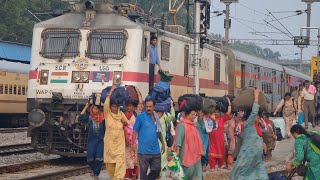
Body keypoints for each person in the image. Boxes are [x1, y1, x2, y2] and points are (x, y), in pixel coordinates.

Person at [229, 89, 268, 180]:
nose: (259, 118)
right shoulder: (248, 124)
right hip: (248, 155)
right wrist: (256, 97)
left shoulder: (256, 127)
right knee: (243, 174)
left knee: (260, 173)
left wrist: (263, 144)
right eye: (258, 116)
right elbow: (254, 112)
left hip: (257, 156)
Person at [132, 98, 165, 180]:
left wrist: (163, 143)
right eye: (147, 106)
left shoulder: (156, 117)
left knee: (156, 170)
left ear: (154, 107)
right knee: (143, 172)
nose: (148, 108)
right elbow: (134, 131)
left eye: (150, 106)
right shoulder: (140, 117)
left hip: (155, 150)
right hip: (143, 151)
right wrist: (134, 144)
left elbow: (159, 131)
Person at [103, 86, 129, 180]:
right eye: (113, 106)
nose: (114, 108)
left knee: (120, 163)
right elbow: (105, 104)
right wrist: (111, 92)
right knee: (110, 166)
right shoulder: (107, 114)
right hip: (109, 144)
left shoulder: (121, 114)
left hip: (119, 144)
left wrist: (124, 122)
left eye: (116, 106)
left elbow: (128, 123)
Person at [175, 102, 204, 179]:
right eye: (192, 114)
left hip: (195, 153)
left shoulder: (194, 126)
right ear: (187, 115)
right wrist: (177, 153)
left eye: (195, 114)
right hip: (186, 154)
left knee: (197, 173)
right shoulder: (182, 125)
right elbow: (179, 140)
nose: (194, 116)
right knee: (186, 173)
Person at [79, 103, 105, 180]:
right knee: (90, 158)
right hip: (91, 141)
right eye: (94, 109)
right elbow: (80, 117)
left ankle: (96, 174)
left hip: (100, 141)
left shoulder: (103, 118)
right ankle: (93, 170)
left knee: (99, 158)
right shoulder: (89, 117)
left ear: (99, 110)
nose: (95, 110)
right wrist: (86, 106)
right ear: (91, 109)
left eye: (97, 109)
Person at [123, 87, 143, 180]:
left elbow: (140, 104)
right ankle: (127, 176)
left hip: (135, 141)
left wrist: (137, 92)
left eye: (130, 105)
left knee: (135, 160)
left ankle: (134, 176)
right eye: (127, 105)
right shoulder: (122, 115)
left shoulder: (136, 114)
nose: (129, 107)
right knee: (126, 160)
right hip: (125, 142)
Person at [208, 98, 232, 170]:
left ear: (220, 113)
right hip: (212, 140)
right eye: (215, 112)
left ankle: (219, 166)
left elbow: (228, 112)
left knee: (221, 152)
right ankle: (212, 166)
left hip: (220, 140)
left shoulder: (222, 118)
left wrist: (229, 104)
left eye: (217, 112)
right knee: (211, 153)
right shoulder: (210, 118)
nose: (216, 113)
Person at [155, 100, 175, 174]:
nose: (158, 113)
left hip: (163, 142)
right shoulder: (152, 118)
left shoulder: (165, 118)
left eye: (160, 112)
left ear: (163, 112)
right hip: (154, 142)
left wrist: (172, 106)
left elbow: (172, 116)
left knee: (163, 157)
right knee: (157, 158)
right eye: (157, 112)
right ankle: (158, 172)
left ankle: (160, 172)